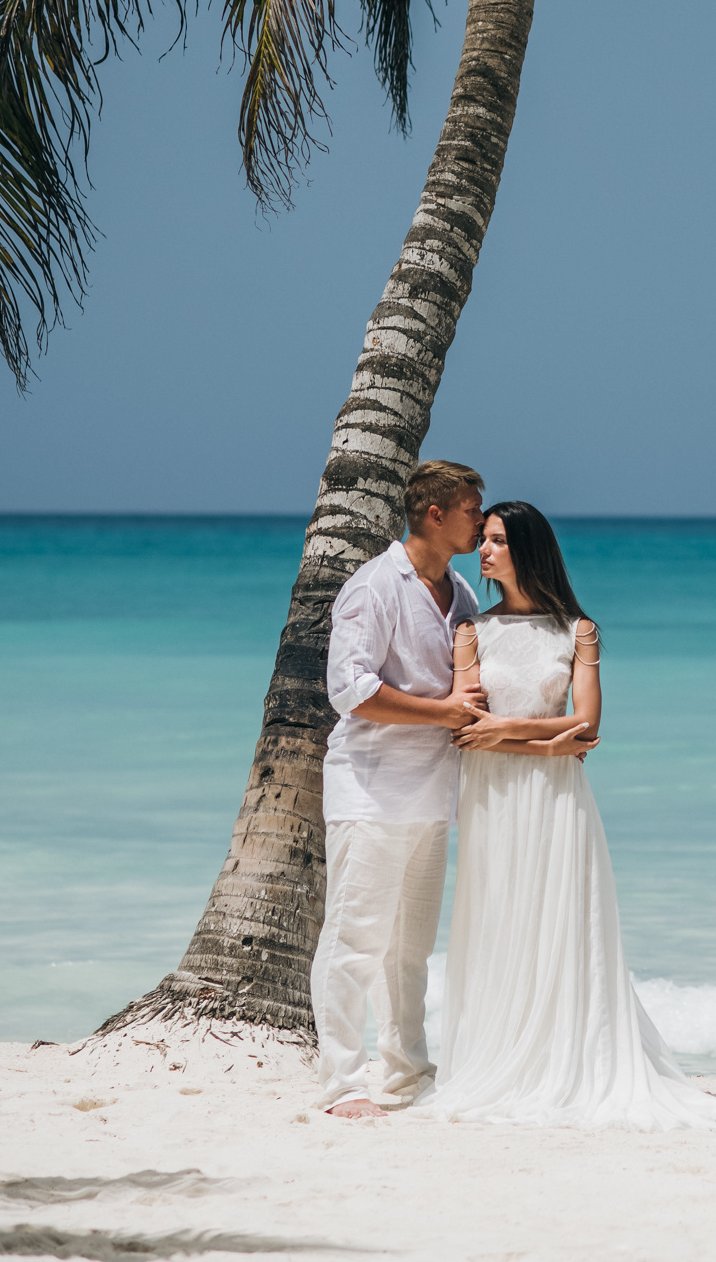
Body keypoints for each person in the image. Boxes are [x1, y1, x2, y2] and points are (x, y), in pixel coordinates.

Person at [421, 500, 716, 1128]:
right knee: (501, 915)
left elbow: (588, 724)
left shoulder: (577, 630)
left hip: (559, 799)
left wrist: (515, 729)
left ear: (528, 548)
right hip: (494, 795)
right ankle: (501, 1056)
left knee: (562, 917)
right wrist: (543, 743)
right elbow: (467, 733)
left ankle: (568, 1058)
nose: (483, 551)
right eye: (482, 539)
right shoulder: (470, 632)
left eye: (498, 540)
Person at [312, 459, 487, 1119]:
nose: (480, 518)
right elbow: (349, 689)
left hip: (434, 794)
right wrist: (443, 711)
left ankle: (408, 1072)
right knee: (355, 940)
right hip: (371, 790)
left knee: (410, 949)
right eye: (471, 507)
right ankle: (341, 1084)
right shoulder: (375, 586)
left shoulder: (462, 595)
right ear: (434, 514)